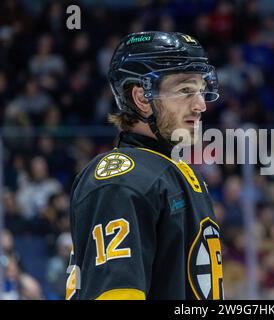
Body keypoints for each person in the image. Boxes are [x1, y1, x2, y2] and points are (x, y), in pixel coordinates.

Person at [66, 31, 224, 300]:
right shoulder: (123, 180)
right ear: (141, 98)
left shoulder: (170, 169)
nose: (200, 105)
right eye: (186, 90)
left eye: (200, 90)